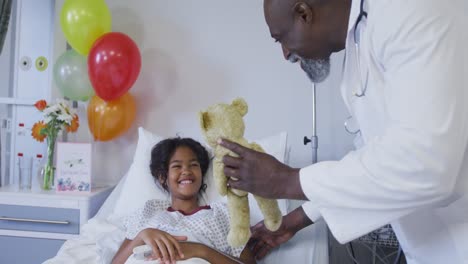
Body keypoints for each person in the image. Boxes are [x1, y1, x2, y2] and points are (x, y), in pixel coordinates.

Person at [220, 0, 468, 263]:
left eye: (280, 38)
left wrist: (287, 181)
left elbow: (427, 164)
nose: (285, 53)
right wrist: (297, 219)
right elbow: (373, 160)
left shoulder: (413, 10)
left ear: (304, 13)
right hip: (433, 247)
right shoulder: (358, 44)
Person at [112, 137, 256, 264]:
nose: (186, 171)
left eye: (194, 165)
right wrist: (142, 236)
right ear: (163, 177)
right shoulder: (148, 212)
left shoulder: (223, 214)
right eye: (177, 166)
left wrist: (200, 250)